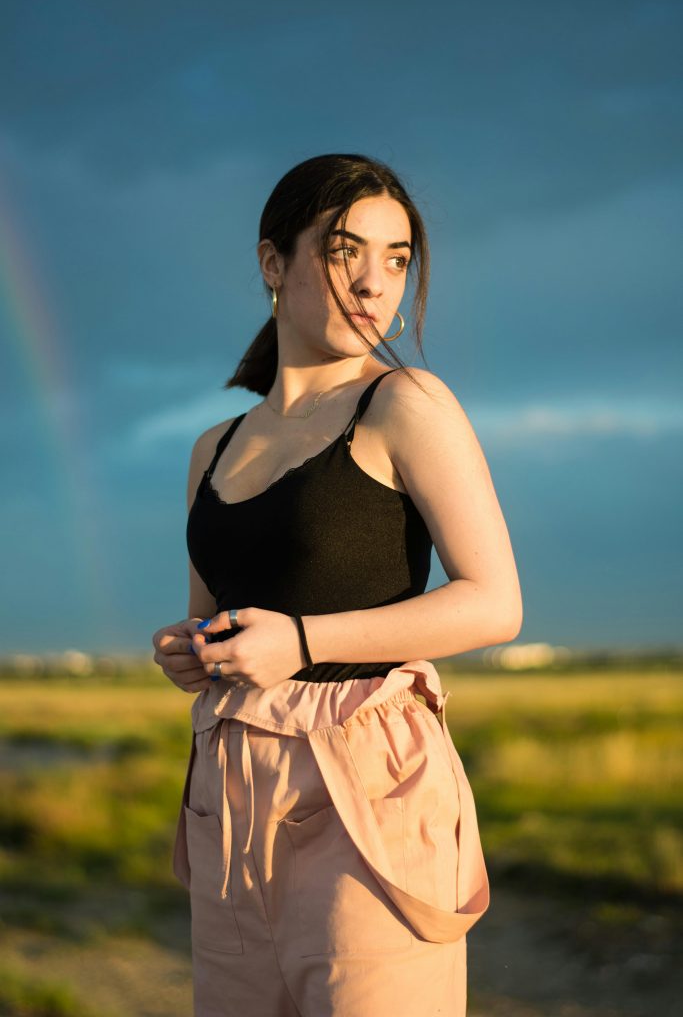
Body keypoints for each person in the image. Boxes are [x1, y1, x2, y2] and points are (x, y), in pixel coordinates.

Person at [152, 153, 523, 1017]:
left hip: (368, 787)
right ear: (272, 264)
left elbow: (493, 600)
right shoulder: (213, 447)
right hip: (229, 789)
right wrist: (191, 649)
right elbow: (219, 621)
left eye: (396, 258)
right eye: (344, 250)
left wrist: (304, 642)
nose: (374, 281)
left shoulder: (405, 404)